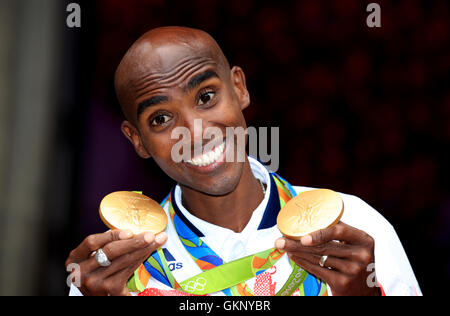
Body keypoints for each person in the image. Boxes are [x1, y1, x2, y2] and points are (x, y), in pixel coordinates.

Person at [66, 26, 421, 296]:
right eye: (161, 119)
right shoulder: (116, 269)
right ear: (137, 140)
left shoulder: (354, 229)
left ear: (239, 88)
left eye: (206, 97)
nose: (196, 131)